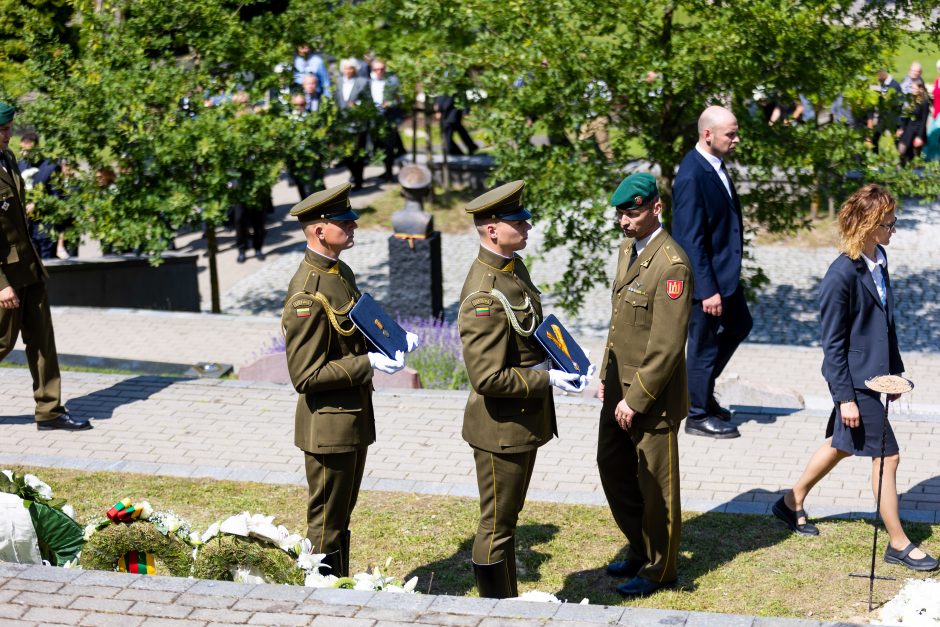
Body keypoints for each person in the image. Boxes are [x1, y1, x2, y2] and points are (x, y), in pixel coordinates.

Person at [774, 184, 938, 573]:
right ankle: (897, 543)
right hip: (855, 383)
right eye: (889, 222)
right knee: (888, 457)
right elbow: (832, 347)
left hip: (876, 378)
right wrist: (845, 397)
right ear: (868, 226)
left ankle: (790, 501)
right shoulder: (840, 276)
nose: (895, 227)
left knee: (841, 444)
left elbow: (884, 323)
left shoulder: (878, 258)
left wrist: (894, 373)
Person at [458, 180, 589, 598]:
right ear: (493, 229)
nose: (527, 226)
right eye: (518, 221)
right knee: (496, 524)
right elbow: (488, 377)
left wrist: (560, 359)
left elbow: (528, 335)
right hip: (501, 430)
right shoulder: (483, 294)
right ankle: (495, 608)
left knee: (507, 519)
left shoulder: (511, 270)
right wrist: (548, 378)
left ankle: (506, 601)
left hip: (520, 423)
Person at [281, 182, 417, 576]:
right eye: (343, 221)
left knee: (341, 516)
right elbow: (306, 375)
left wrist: (392, 337)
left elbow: (356, 324)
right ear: (319, 230)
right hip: (328, 424)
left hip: (351, 416)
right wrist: (368, 364)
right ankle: (320, 596)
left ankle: (336, 588)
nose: (353, 226)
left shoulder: (340, 273)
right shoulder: (307, 293)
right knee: (325, 522)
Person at [597, 172, 692, 598]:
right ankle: (639, 545)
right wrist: (605, 376)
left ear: (656, 207)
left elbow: (668, 344)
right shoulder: (630, 250)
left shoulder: (672, 265)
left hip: (651, 397)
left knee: (657, 486)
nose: (625, 220)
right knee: (612, 466)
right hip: (618, 387)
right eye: (620, 212)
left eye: (633, 211)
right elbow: (619, 322)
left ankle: (660, 568)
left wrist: (636, 399)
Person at [0, 102, 90, 431]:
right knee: (2, 343)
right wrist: (1, 284)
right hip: (5, 275)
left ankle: (50, 411)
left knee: (42, 340)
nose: (8, 135)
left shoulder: (7, 159)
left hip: (29, 268)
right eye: (2, 130)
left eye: (8, 128)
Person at [671, 105, 751, 439]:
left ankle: (699, 392)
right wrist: (706, 290)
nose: (736, 139)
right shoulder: (691, 174)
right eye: (730, 134)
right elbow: (689, 238)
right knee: (702, 346)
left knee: (740, 324)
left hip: (724, 275)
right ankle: (697, 415)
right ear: (708, 134)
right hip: (707, 282)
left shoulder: (714, 165)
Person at [334, 58, 373, 190]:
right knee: (346, 154)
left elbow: (369, 102)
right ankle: (354, 175)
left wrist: (357, 105)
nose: (348, 71)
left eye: (351, 68)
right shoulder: (338, 82)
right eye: (346, 68)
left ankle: (359, 180)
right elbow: (336, 101)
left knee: (356, 152)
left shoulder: (363, 82)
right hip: (343, 124)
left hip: (357, 123)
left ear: (355, 69)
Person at [369, 59, 406, 180]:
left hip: (389, 117)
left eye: (382, 69)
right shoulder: (368, 82)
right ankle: (386, 170)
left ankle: (389, 173)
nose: (379, 71)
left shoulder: (393, 81)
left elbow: (401, 99)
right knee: (378, 145)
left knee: (389, 145)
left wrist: (390, 103)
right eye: (376, 69)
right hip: (374, 117)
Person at [896, 77, 930, 166]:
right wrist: (901, 128)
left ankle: (914, 172)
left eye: (915, 88)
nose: (912, 90)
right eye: (912, 88)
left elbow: (923, 121)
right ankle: (901, 168)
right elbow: (905, 115)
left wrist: (919, 136)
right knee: (901, 150)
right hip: (908, 128)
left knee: (914, 155)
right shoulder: (910, 99)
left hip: (917, 130)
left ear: (921, 89)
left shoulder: (924, 103)